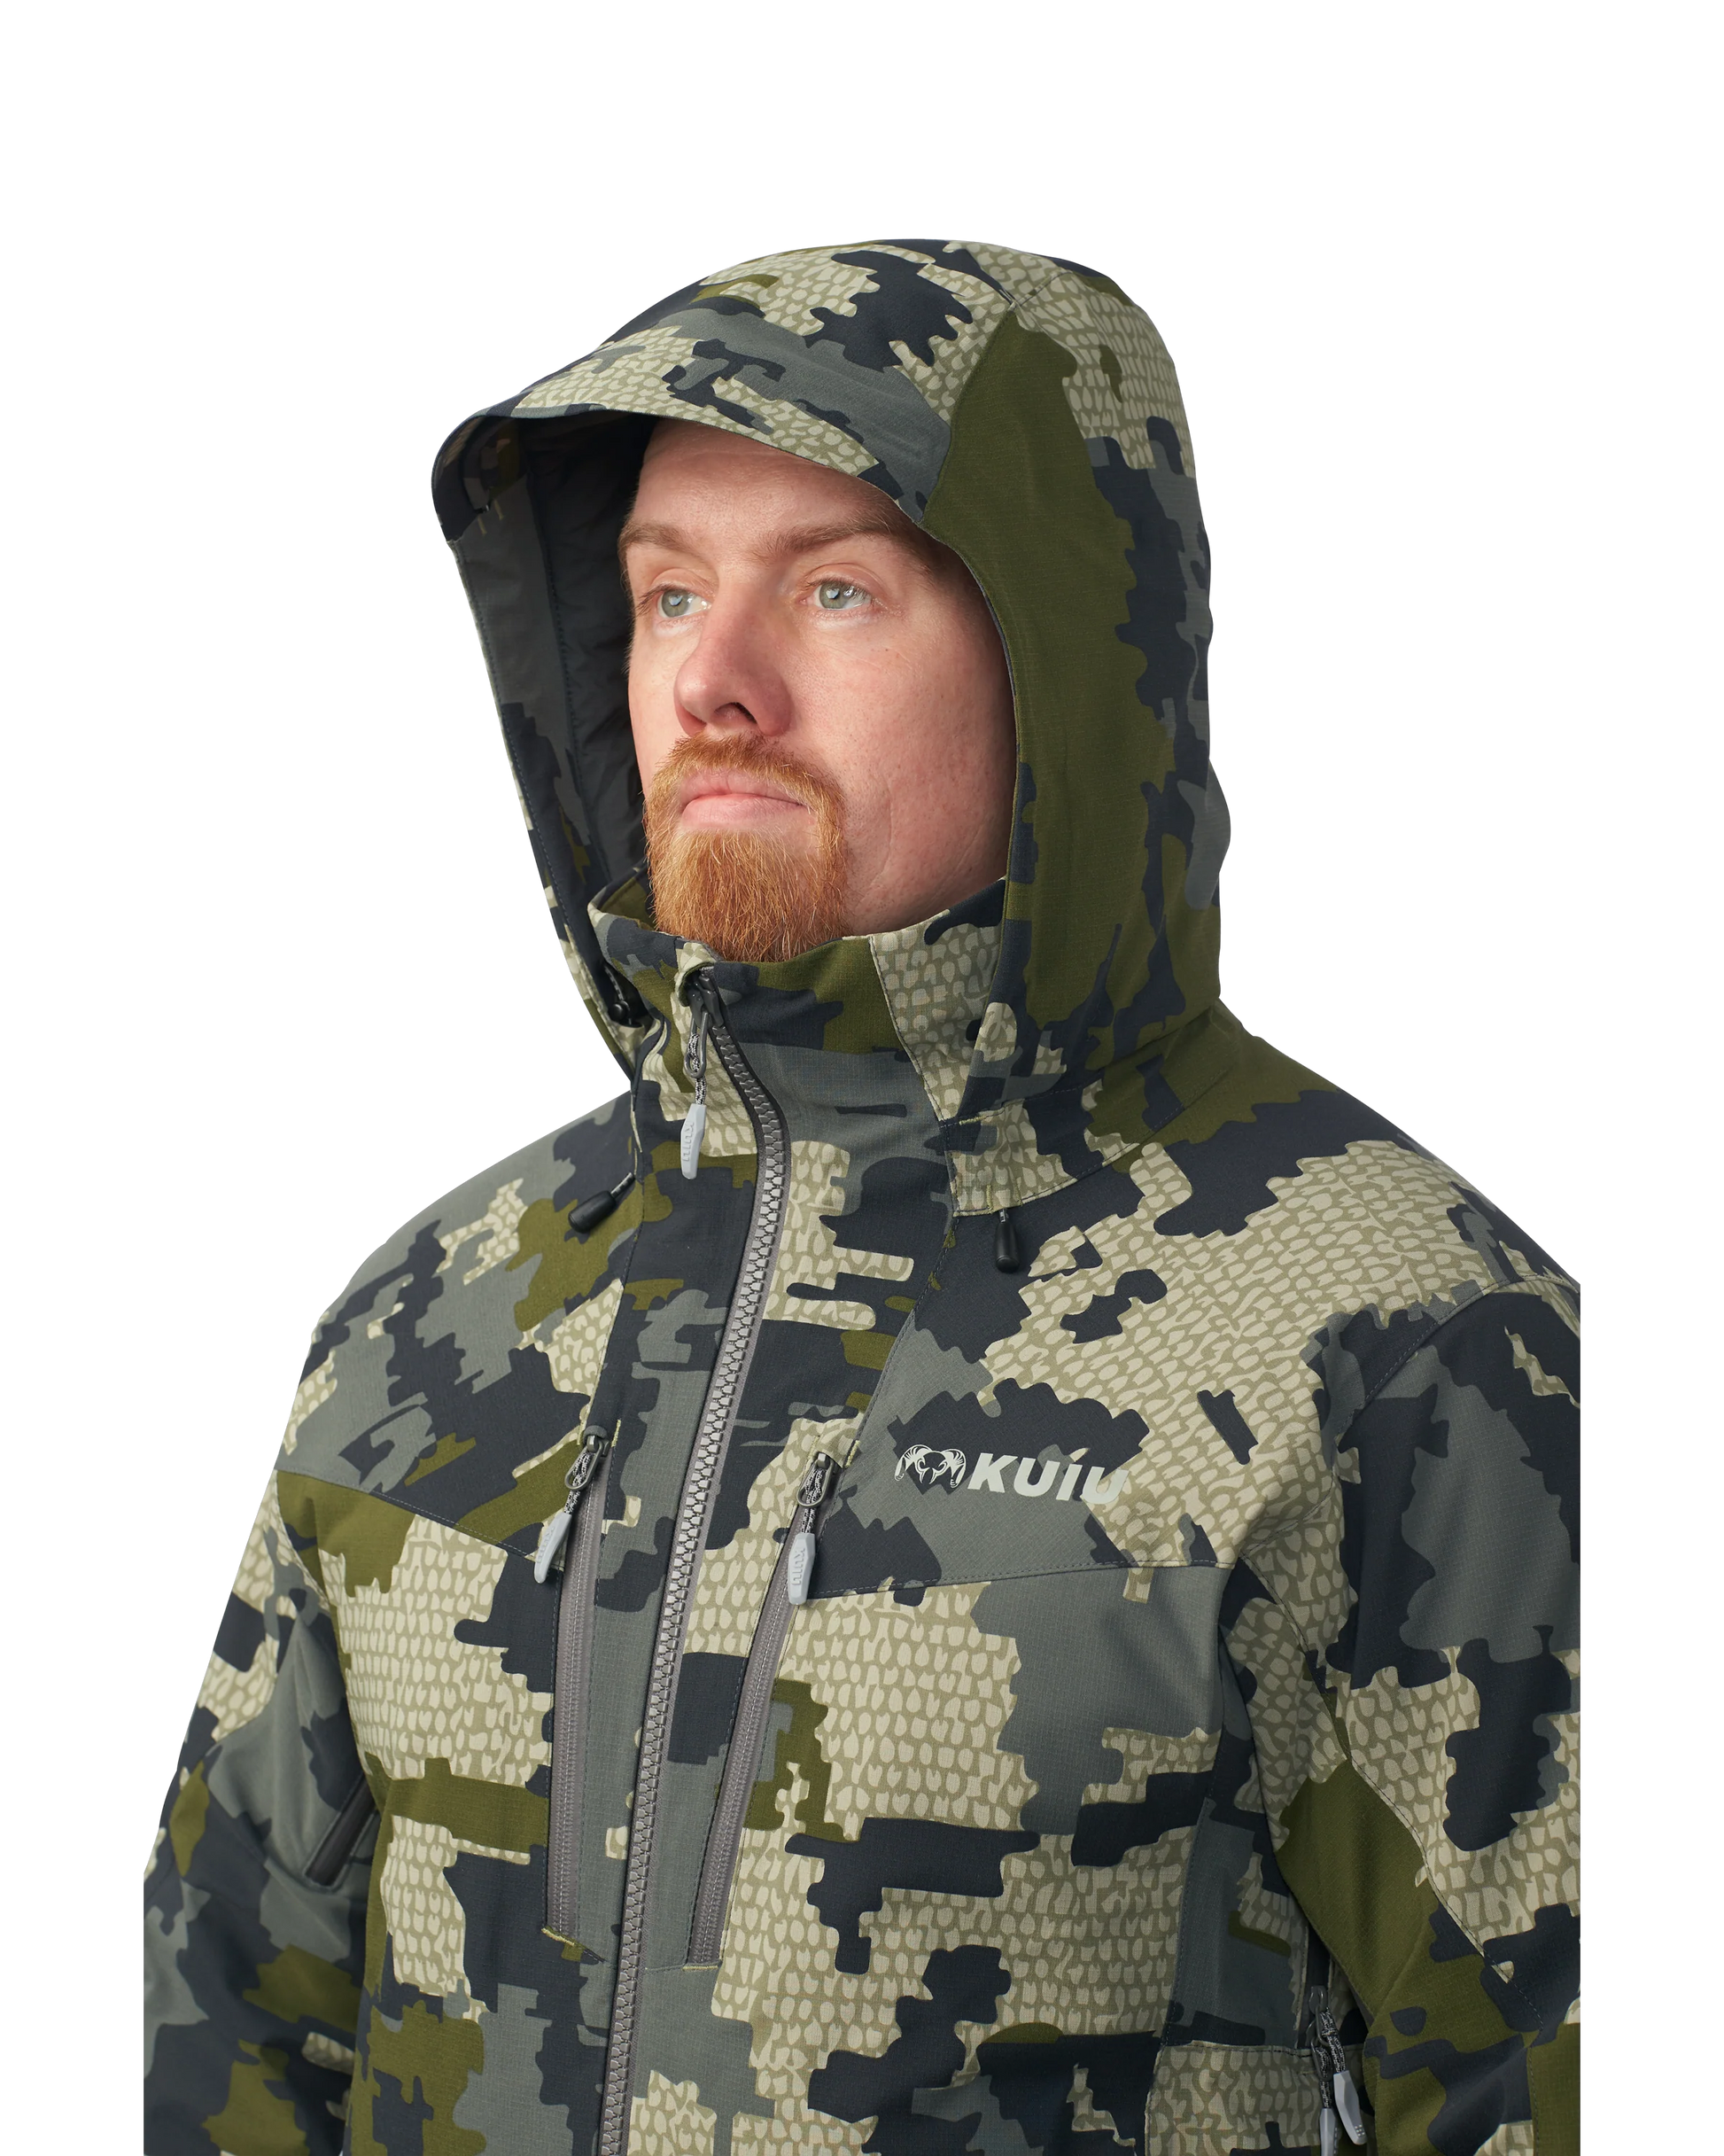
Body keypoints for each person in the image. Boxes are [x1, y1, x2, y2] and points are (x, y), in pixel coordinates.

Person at [143, 239, 1580, 2156]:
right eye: (666, 594)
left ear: (1069, 669)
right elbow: (226, 2024)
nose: (711, 684)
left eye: (833, 589)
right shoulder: (434, 1310)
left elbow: (1528, 2075)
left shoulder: (1399, 1337)